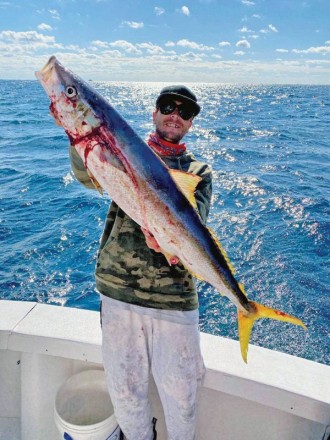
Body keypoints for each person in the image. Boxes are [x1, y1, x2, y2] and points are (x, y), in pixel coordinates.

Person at [69, 85, 212, 440]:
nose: (174, 114)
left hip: (174, 301)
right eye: (167, 106)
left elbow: (194, 229)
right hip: (118, 290)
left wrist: (166, 241)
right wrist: (75, 135)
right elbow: (87, 175)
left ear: (191, 123)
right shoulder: (120, 149)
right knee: (125, 394)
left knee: (183, 399)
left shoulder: (198, 171)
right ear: (154, 112)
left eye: (185, 111)